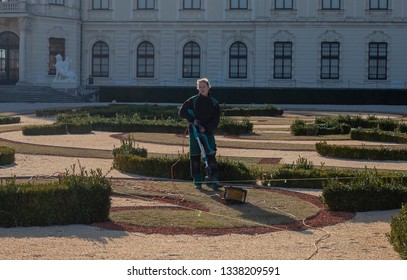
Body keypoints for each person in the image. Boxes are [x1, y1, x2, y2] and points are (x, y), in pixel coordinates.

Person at [179, 78, 222, 190]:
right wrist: (192, 120)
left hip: (207, 132)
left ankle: (213, 179)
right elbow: (182, 112)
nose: (202, 89)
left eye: (204, 86)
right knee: (195, 156)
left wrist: (206, 128)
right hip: (194, 133)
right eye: (200, 87)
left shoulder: (214, 102)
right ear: (198, 88)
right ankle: (197, 181)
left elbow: (216, 120)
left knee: (211, 154)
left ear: (208, 87)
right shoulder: (192, 100)